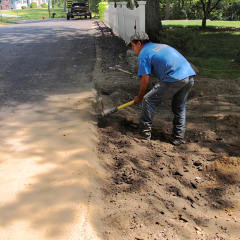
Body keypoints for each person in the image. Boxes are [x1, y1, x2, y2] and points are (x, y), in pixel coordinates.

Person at [129, 32, 196, 145]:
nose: (133, 49)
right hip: (189, 75)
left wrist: (139, 97)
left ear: (139, 43)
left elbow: (145, 79)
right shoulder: (159, 46)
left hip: (175, 77)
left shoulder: (143, 54)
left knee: (148, 100)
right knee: (179, 107)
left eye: (132, 46)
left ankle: (144, 135)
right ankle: (178, 138)